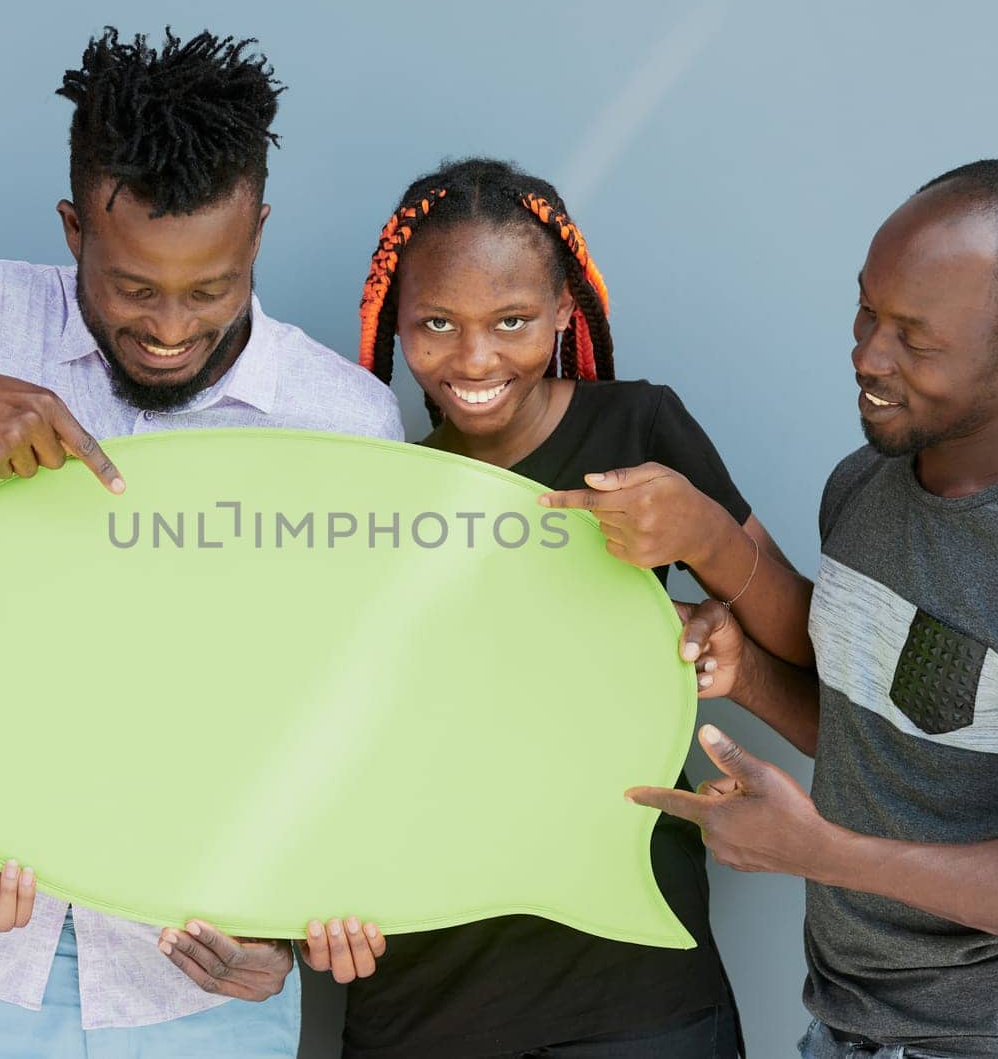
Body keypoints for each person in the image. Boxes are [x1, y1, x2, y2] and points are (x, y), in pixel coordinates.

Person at [0, 28, 400, 1057]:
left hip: (210, 977)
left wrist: (295, 916)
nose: (170, 327)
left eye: (209, 289)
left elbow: (361, 696)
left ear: (258, 233)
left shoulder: (344, 421)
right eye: (132, 287)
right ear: (72, 228)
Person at [316, 156, 815, 1058]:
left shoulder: (637, 429)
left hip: (633, 983)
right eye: (436, 323)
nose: (474, 359)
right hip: (424, 990)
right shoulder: (372, 490)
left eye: (511, 321)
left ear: (561, 312)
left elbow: (809, 653)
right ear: (397, 320)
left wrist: (705, 536)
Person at [637, 160, 998, 1059]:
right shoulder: (865, 483)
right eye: (869, 310)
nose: (868, 354)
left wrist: (819, 851)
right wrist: (745, 672)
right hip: (849, 1030)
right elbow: (892, 749)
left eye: (916, 337)